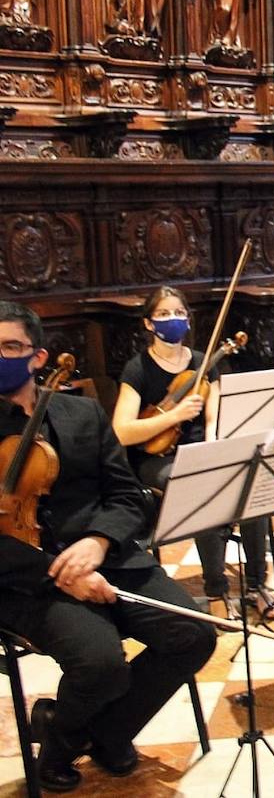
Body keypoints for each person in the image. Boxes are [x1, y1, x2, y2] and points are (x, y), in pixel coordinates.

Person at [0, 301, 217, 792]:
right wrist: (57, 571)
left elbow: (127, 496)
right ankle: (60, 748)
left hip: (109, 559)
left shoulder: (82, 413)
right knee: (101, 663)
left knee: (195, 635)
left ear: (38, 357)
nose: (2, 356)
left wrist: (98, 542)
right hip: (25, 579)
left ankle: (94, 730)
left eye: (11, 346)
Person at [111, 286, 274, 623]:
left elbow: (213, 418)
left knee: (250, 483)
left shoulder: (205, 363)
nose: (171, 319)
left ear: (188, 320)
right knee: (203, 488)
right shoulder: (137, 369)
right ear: (148, 323)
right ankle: (216, 589)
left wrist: (215, 448)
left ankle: (256, 585)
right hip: (156, 459)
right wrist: (173, 416)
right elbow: (122, 430)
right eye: (162, 314)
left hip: (201, 449)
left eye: (178, 313)